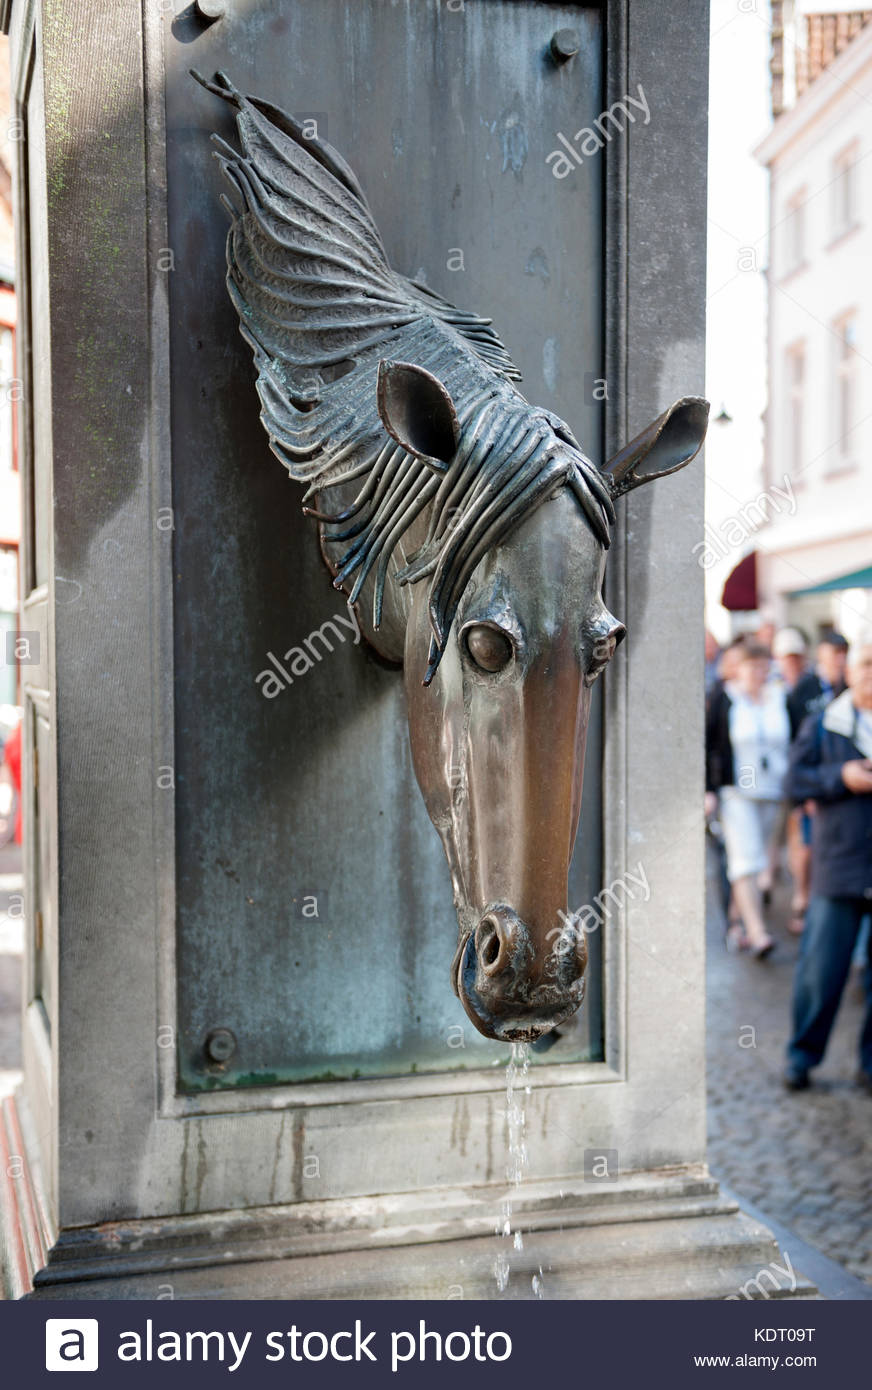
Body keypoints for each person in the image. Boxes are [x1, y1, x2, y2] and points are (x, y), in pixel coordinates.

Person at [783, 637, 872, 1092]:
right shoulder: (823, 724)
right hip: (839, 866)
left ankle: (869, 1066)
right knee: (821, 971)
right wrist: (842, 777)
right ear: (849, 671)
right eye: (865, 664)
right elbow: (795, 780)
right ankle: (801, 1057)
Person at [706, 641, 791, 957]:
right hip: (737, 791)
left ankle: (735, 919)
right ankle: (757, 933)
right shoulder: (725, 698)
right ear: (738, 667)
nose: (757, 672)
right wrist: (710, 789)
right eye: (751, 666)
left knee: (760, 860)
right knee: (746, 860)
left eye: (762, 665)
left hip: (773, 791)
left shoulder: (779, 697)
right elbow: (710, 743)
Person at [787, 630, 848, 738]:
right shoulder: (804, 687)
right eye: (836, 652)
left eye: (844, 653)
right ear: (821, 654)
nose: (841, 660)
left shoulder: (849, 687)